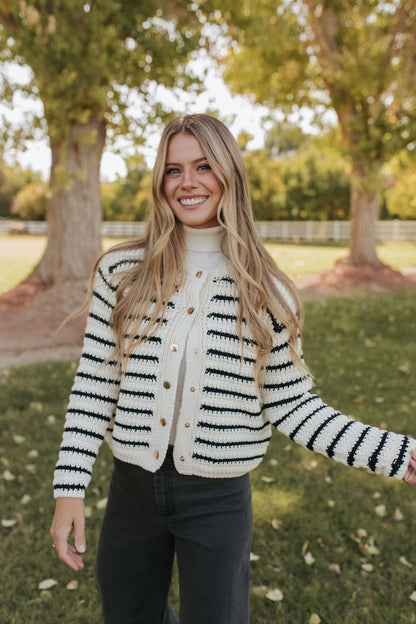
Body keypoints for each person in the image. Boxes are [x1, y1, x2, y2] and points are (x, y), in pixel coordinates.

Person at [50, 113, 416, 624]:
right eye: (173, 170)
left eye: (203, 166)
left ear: (229, 175)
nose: (188, 182)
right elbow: (94, 384)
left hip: (217, 500)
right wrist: (70, 488)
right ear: (160, 182)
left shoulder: (269, 292)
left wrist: (397, 454)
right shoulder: (122, 273)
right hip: (131, 490)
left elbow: (294, 407)